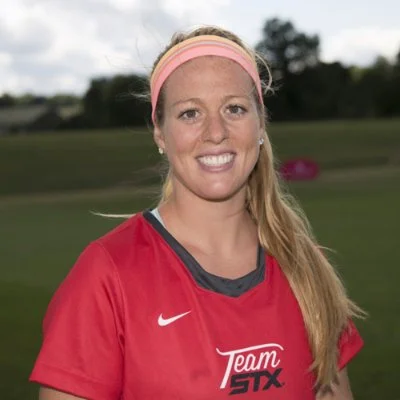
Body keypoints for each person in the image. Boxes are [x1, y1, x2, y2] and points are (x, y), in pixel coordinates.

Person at [30, 25, 365, 399]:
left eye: (234, 108)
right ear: (160, 133)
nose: (215, 132)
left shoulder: (305, 268)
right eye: (190, 113)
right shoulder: (106, 276)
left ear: (260, 123)